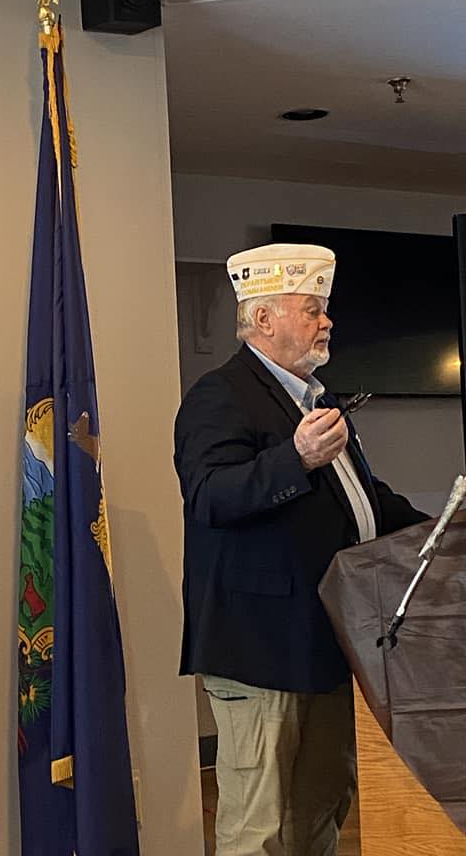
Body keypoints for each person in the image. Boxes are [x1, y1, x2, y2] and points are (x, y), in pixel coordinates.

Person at [173, 242, 428, 856]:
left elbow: (362, 498)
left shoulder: (315, 397)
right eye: (312, 309)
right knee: (257, 826)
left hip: (327, 640)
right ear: (264, 319)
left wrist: (442, 528)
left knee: (321, 809)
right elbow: (209, 495)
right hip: (258, 647)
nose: (327, 320)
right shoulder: (220, 394)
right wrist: (297, 457)